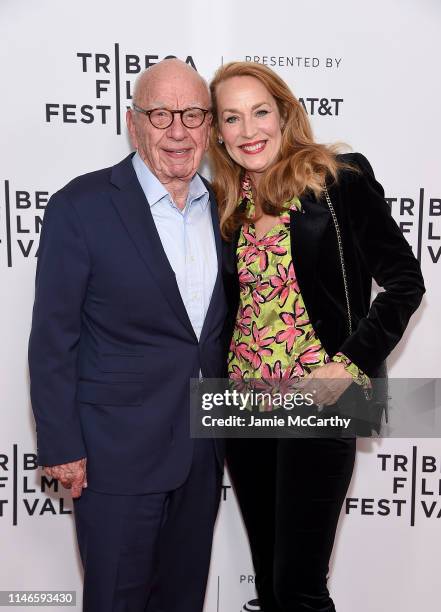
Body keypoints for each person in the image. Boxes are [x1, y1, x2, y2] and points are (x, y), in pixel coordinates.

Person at [209, 61, 425, 612]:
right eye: (231, 118)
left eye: (260, 112)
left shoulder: (336, 179)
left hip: (318, 398)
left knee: (299, 591)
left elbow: (404, 281)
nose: (248, 129)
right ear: (217, 132)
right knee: (269, 588)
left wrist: (346, 366)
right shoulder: (224, 205)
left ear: (284, 113)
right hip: (244, 405)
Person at [28, 58, 226, 612]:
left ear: (210, 126)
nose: (178, 131)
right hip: (112, 460)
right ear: (132, 122)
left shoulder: (226, 209)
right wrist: (62, 445)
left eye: (193, 114)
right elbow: (52, 338)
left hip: (201, 453)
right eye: (160, 114)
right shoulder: (81, 206)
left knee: (183, 600)